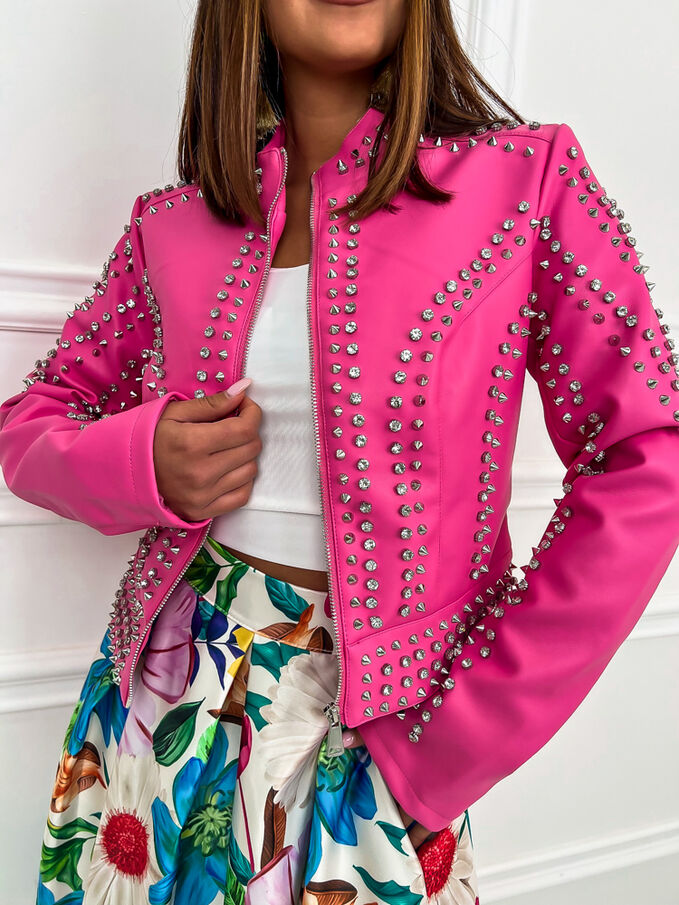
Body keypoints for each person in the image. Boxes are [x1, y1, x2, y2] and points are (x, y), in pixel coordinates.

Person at [1, 1, 678, 903]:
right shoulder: (169, 222)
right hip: (155, 702)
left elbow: (648, 454)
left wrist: (450, 743)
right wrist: (142, 461)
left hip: (385, 733)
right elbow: (33, 419)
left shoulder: (526, 181)